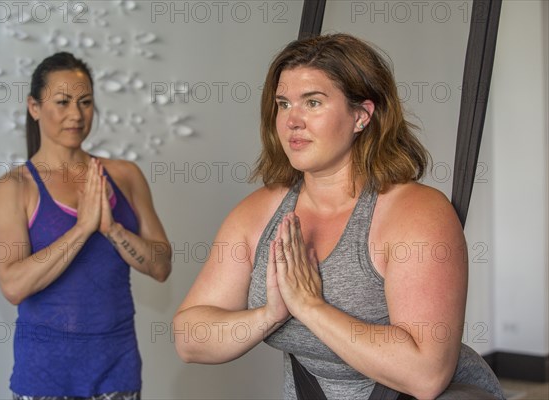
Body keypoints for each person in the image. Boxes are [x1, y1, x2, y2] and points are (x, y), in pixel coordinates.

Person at [174, 34, 504, 399]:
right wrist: (270, 314)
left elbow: (425, 375)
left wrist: (310, 307)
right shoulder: (259, 213)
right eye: (283, 104)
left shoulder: (418, 213)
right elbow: (190, 338)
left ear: (361, 115)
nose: (292, 121)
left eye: (312, 102)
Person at [0, 52, 172, 399]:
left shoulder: (124, 176)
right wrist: (82, 228)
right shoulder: (13, 188)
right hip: (44, 374)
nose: (76, 114)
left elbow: (161, 266)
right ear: (34, 107)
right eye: (62, 102)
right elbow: (13, 286)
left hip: (117, 367)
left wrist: (112, 229)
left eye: (85, 102)